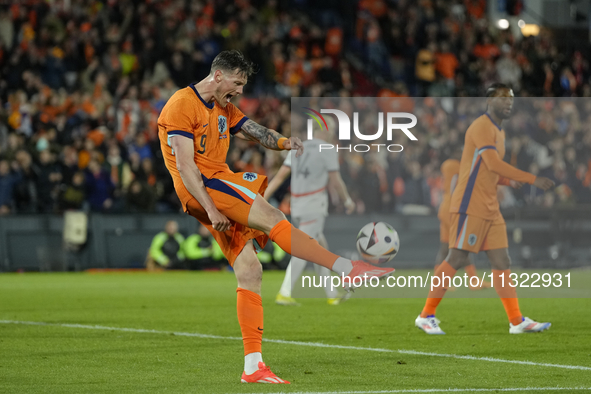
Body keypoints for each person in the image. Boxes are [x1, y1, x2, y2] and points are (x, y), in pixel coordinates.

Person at [158, 50, 393, 384]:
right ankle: (346, 269)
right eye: (237, 83)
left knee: (250, 271)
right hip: (205, 185)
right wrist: (211, 208)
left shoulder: (223, 106)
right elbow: (183, 165)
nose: (239, 91)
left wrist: (284, 142)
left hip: (214, 186)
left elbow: (253, 130)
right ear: (219, 75)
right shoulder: (182, 104)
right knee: (273, 215)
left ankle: (253, 366)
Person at [415, 83, 555, 335]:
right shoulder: (481, 126)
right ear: (489, 101)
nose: (509, 102)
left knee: (502, 261)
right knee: (456, 257)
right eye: (503, 98)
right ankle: (426, 315)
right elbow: (491, 162)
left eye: (511, 98)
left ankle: (516, 321)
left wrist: (507, 180)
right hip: (471, 205)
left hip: (490, 205)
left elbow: (489, 170)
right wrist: (528, 178)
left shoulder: (499, 132)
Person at [264, 119, 356, 306]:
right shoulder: (327, 149)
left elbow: (280, 176)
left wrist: (262, 197)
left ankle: (332, 294)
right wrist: (347, 200)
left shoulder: (299, 148)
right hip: (314, 206)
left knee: (319, 248)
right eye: (332, 130)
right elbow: (336, 180)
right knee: (302, 250)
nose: (333, 133)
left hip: (297, 206)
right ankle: (284, 293)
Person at [436, 147, 490, 290]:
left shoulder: (448, 166)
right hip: (453, 209)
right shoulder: (457, 166)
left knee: (444, 247)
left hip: (445, 206)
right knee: (463, 245)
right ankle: (473, 280)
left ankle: (439, 280)